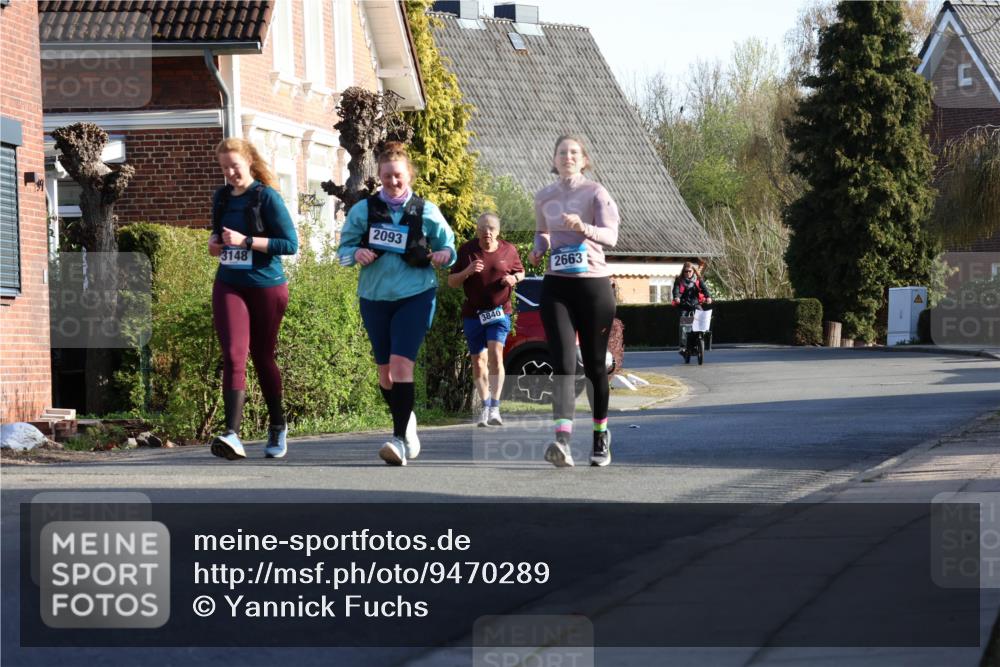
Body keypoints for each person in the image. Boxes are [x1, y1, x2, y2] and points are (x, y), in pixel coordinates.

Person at [336, 142, 456, 466]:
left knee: (402, 366)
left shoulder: (425, 210)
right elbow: (343, 252)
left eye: (398, 175)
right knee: (386, 375)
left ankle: (399, 439)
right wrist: (356, 254)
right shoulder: (364, 211)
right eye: (387, 176)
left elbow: (448, 247)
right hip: (374, 297)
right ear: (380, 176)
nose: (393, 181)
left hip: (416, 295)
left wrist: (444, 255)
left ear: (409, 175)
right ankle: (407, 419)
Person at [528, 135, 619, 468]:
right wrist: (539, 248)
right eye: (562, 152)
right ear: (554, 160)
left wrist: (585, 227)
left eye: (574, 152)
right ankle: (562, 442)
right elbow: (542, 232)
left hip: (593, 286)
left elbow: (612, 236)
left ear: (584, 160)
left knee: (595, 367)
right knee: (563, 364)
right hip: (557, 286)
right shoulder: (544, 197)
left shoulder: (596, 192)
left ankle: (600, 437)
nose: (567, 156)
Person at [208, 138, 299, 461]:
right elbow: (216, 236)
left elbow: (290, 244)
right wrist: (214, 243)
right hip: (229, 283)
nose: (230, 173)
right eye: (224, 168)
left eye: (235, 165)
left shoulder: (266, 197)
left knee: (262, 357)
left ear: (248, 162)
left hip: (266, 286)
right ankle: (232, 433)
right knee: (233, 355)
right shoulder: (221, 198)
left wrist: (247, 241)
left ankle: (277, 425)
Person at [448, 213, 525, 427]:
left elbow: (521, 272)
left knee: (495, 354)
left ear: (498, 231)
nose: (487, 232)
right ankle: (484, 405)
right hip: (474, 314)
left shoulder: (508, 250)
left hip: (500, 312)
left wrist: (513, 278)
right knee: (478, 362)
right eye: (482, 228)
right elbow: (452, 282)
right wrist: (467, 271)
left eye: (491, 228)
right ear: (477, 231)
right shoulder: (467, 250)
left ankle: (495, 408)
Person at [672, 261, 713, 355]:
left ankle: (702, 339)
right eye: (685, 271)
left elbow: (705, 289)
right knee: (684, 325)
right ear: (683, 271)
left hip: (696, 304)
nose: (688, 273)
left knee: (703, 318)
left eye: (689, 271)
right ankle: (683, 347)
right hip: (684, 305)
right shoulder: (679, 280)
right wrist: (677, 297)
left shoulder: (698, 280)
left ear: (693, 271)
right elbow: (676, 290)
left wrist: (708, 297)